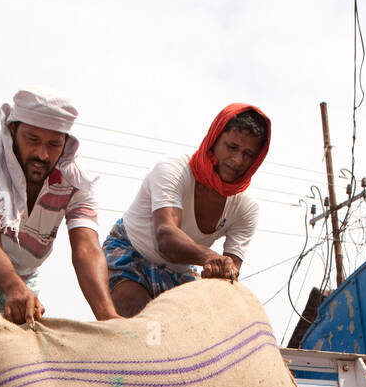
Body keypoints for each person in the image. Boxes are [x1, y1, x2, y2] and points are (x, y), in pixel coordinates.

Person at [0, 88, 119, 325]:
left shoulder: (77, 181)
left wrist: (108, 316)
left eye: (53, 145)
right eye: (32, 140)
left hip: (23, 273)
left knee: (23, 324)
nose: (42, 154)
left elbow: (87, 250)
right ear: (12, 130)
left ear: (66, 144)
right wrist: (13, 287)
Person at [103, 104, 271, 317]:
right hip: (129, 252)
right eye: (232, 147)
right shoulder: (173, 168)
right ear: (214, 139)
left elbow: (229, 273)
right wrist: (209, 257)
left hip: (179, 271)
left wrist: (221, 272)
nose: (238, 160)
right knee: (141, 321)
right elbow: (166, 238)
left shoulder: (246, 207)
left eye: (248, 154)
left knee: (196, 331)